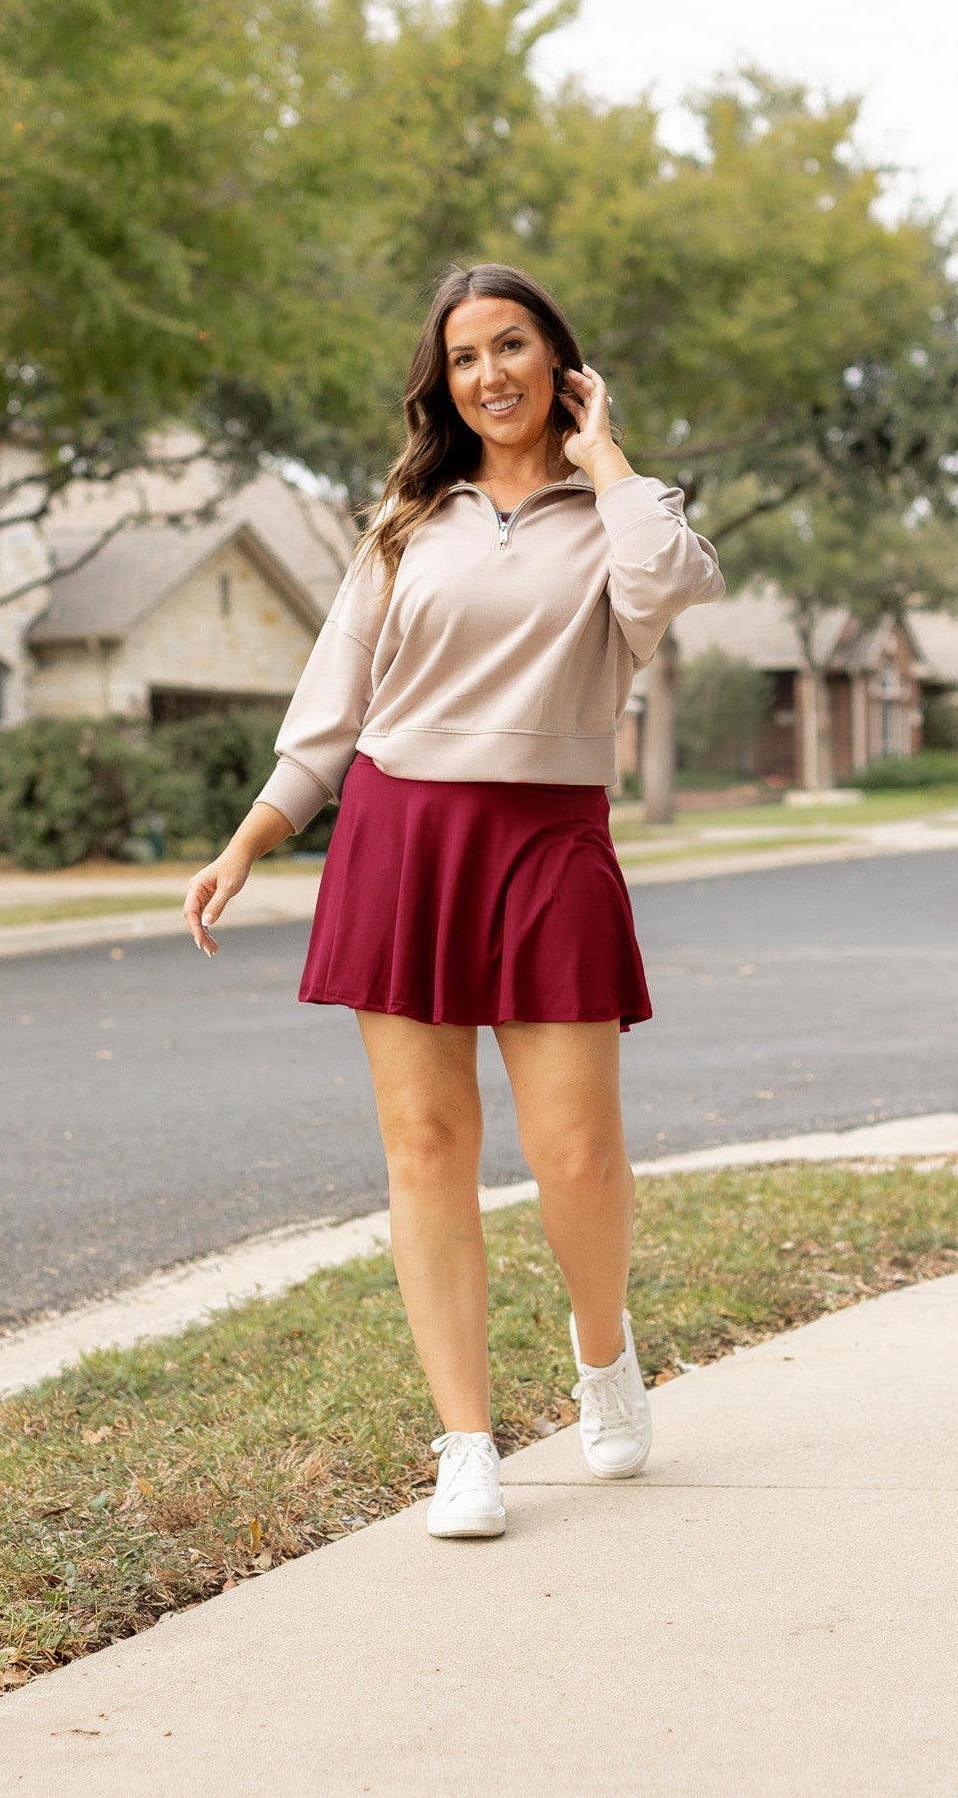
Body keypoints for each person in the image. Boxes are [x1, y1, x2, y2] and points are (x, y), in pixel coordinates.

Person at [181, 262, 726, 1538]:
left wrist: (608, 459)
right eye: (465, 354)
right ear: (443, 379)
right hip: (399, 834)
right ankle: (465, 1442)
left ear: (559, 362)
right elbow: (332, 708)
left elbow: (672, 587)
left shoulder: (623, 515)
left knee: (575, 1151)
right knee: (424, 1147)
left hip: (547, 836)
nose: (489, 373)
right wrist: (250, 838)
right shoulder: (402, 523)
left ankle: (603, 1355)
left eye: (513, 345)